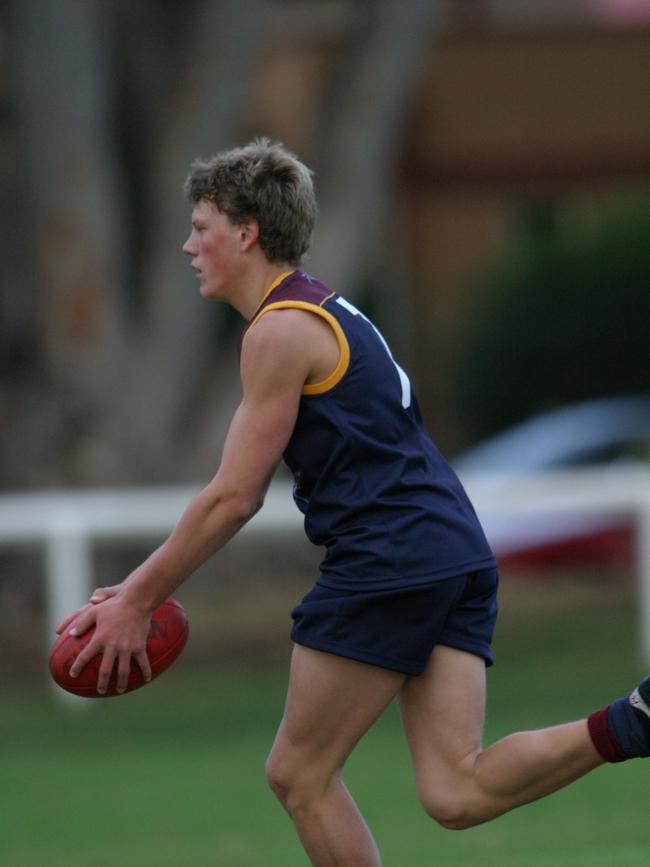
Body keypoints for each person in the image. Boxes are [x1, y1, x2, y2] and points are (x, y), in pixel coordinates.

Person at [57, 138, 650, 867]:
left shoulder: (277, 331)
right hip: (453, 547)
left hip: (389, 556)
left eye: (202, 227)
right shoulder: (330, 310)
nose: (188, 245)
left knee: (299, 774)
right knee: (455, 789)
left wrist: (137, 597)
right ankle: (635, 720)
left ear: (247, 232)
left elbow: (234, 497)